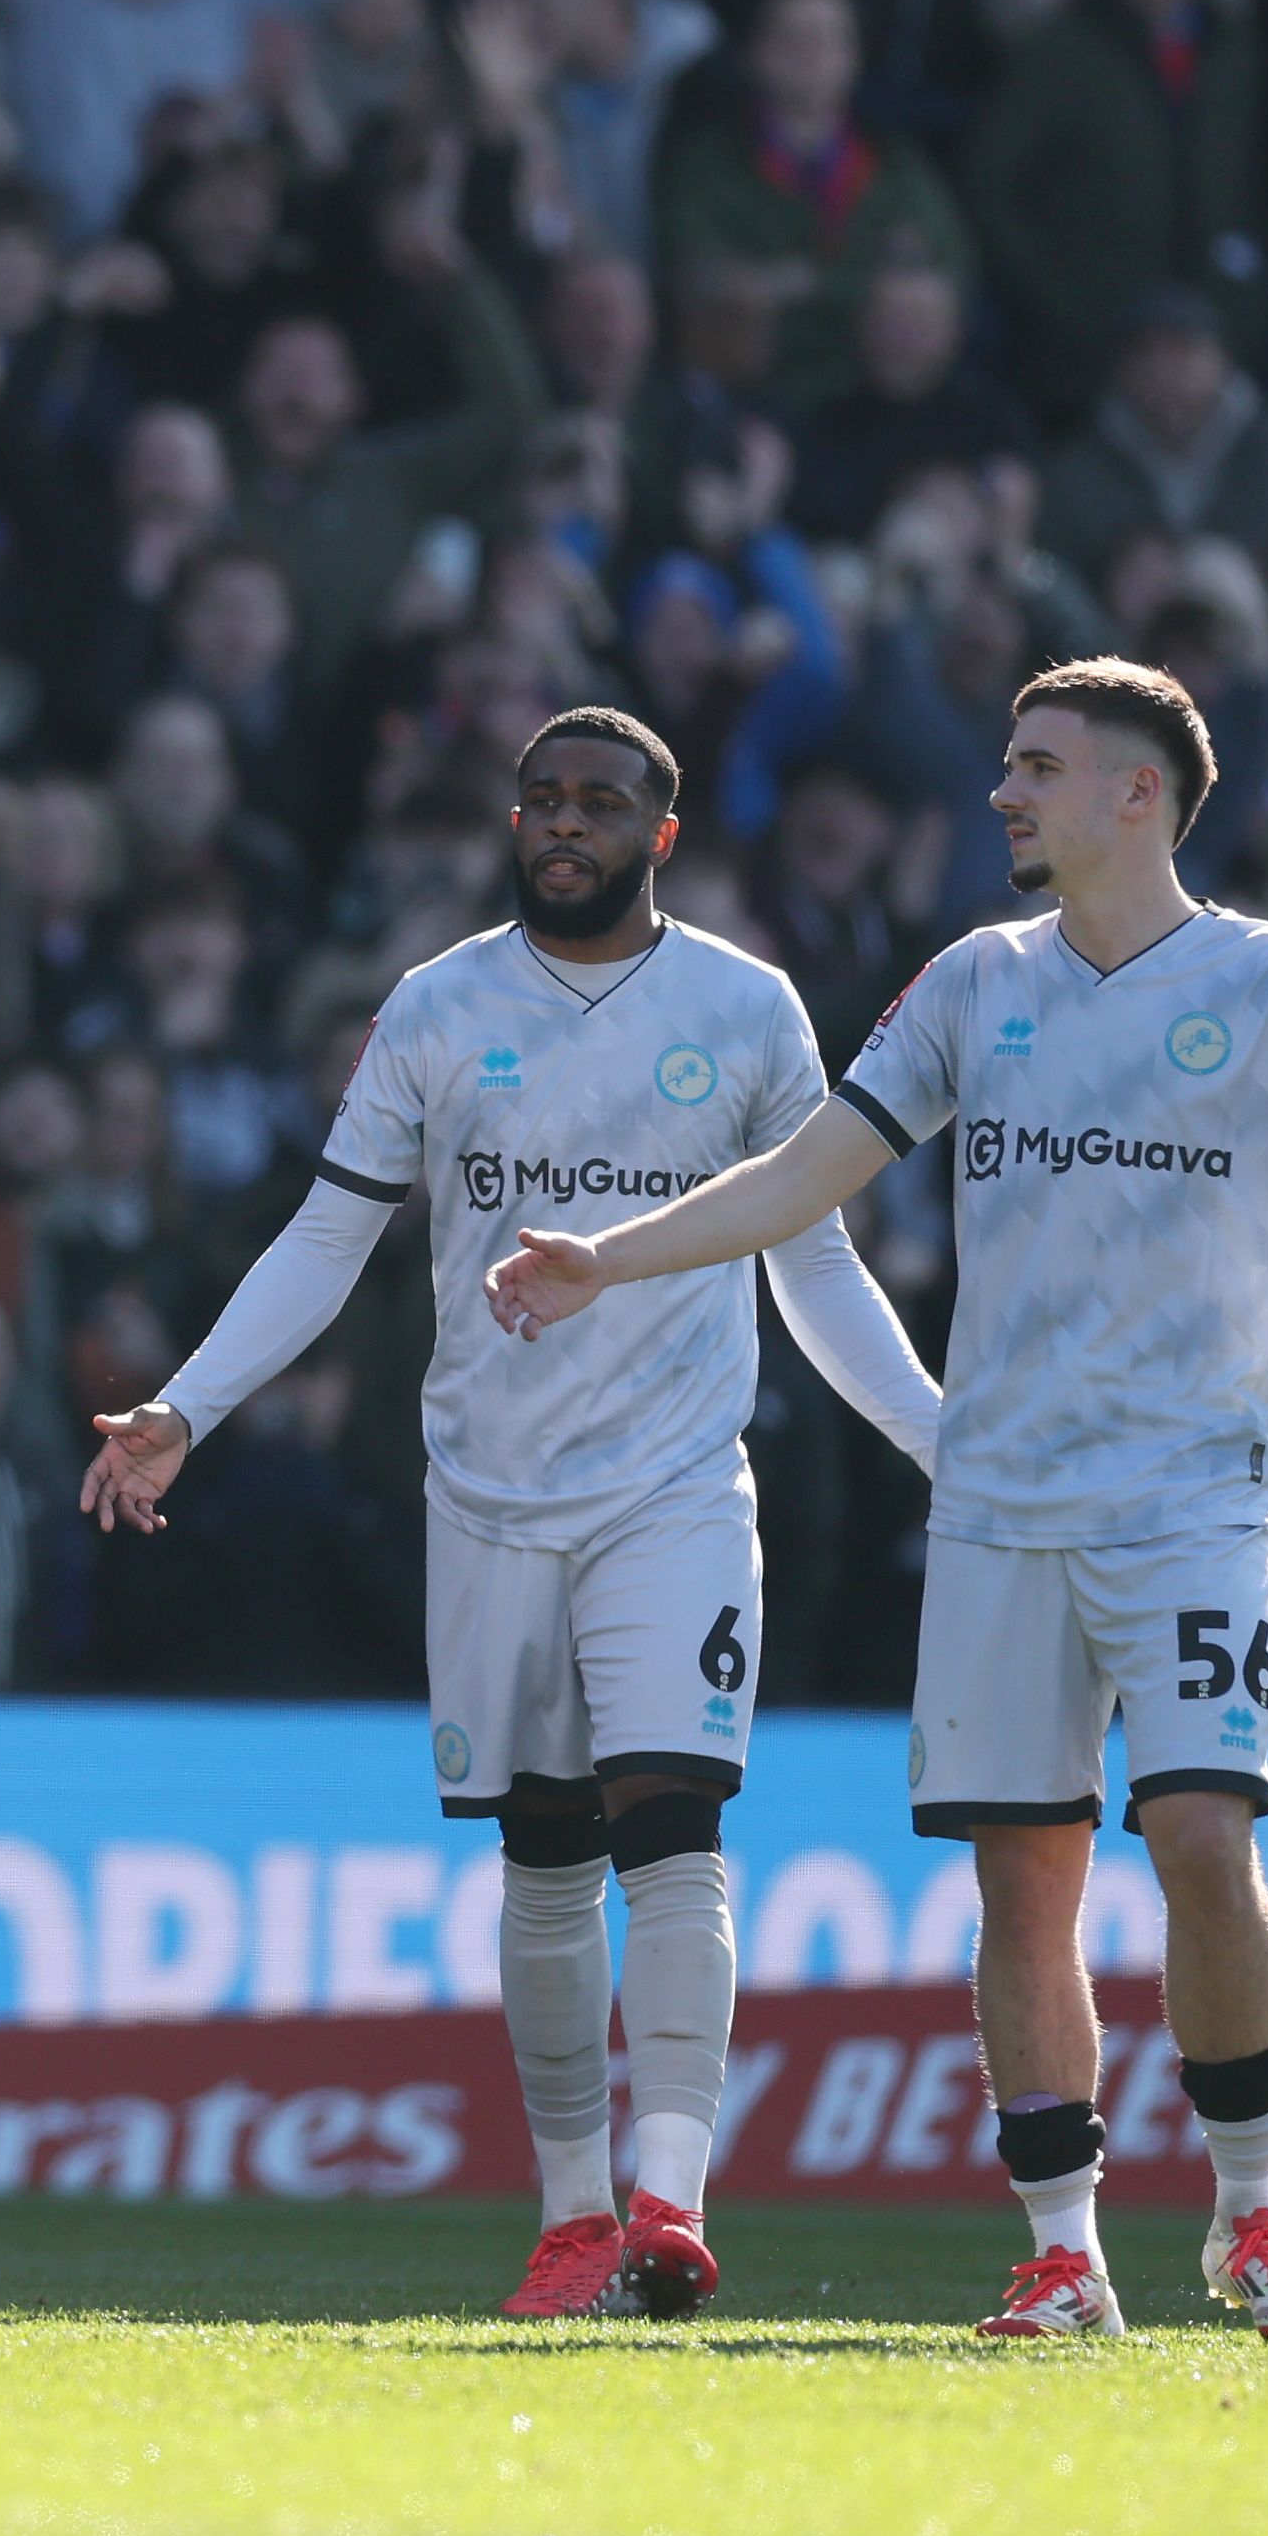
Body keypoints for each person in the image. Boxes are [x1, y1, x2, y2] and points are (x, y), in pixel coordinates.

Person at [483, 659, 1268, 2345]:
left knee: (1206, 1837)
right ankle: (1064, 2245)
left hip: (1196, 1496)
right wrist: (601, 1258)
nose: (1006, 792)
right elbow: (804, 1177)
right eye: (1007, 766)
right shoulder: (972, 982)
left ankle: (1251, 2215)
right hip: (997, 1504)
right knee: (1024, 1879)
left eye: (1039, 767)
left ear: (1140, 792)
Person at [81, 708, 943, 2324]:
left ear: (661, 834)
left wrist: (937, 1441)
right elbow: (326, 1242)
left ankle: (672, 2197)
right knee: (546, 1858)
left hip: (677, 1482)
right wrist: (185, 1404)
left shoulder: (748, 1009)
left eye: (600, 800)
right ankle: (570, 2214)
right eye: (541, 795)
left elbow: (815, 1264)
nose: (562, 821)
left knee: (673, 1821)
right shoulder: (437, 1004)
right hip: (487, 1492)